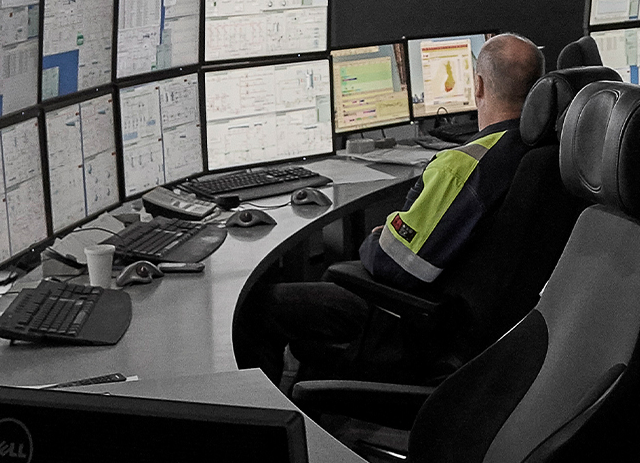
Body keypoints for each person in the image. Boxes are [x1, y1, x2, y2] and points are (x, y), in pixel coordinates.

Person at [234, 33, 546, 385]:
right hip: (487, 327)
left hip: (418, 323)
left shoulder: (464, 165)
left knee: (258, 307)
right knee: (331, 279)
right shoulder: (543, 153)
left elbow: (398, 264)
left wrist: (380, 239)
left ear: (477, 85)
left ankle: (281, 422)